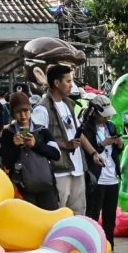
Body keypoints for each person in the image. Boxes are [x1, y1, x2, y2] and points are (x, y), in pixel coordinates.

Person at [31, 64, 89, 214]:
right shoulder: (42, 108)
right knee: (58, 216)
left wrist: (94, 153)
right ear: (57, 83)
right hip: (59, 172)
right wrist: (64, 145)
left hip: (77, 169)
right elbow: (37, 141)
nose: (72, 85)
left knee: (79, 216)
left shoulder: (69, 104)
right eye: (68, 81)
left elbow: (79, 133)